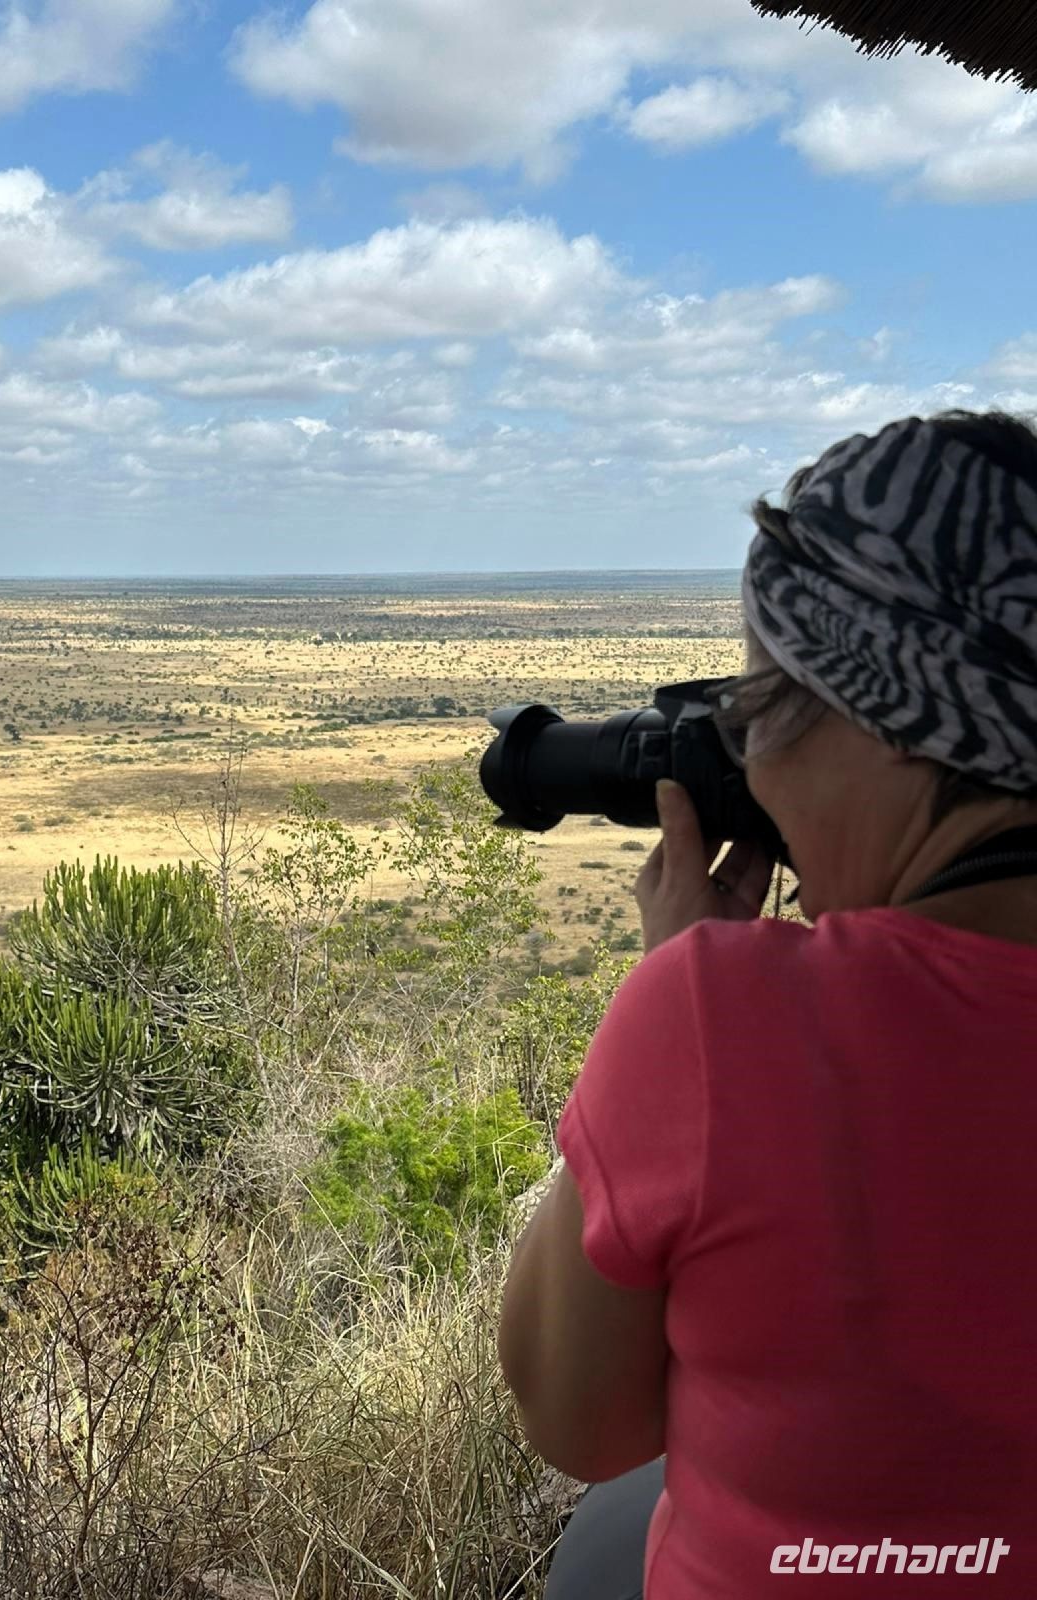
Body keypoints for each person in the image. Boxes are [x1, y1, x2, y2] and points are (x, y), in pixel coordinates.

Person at [528, 410, 1037, 1595]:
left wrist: (672, 988)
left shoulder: (715, 1014)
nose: (750, 761)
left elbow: (576, 1418)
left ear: (888, 721)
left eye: (765, 706)